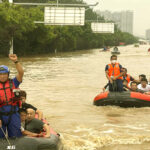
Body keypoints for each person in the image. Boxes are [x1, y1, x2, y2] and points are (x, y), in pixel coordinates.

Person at [0, 54, 24, 138]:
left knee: (16, 137)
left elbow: (21, 73)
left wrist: (16, 61)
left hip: (13, 114)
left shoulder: (14, 82)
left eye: (4, 74)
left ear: (8, 74)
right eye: (0, 74)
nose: (2, 76)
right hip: (0, 115)